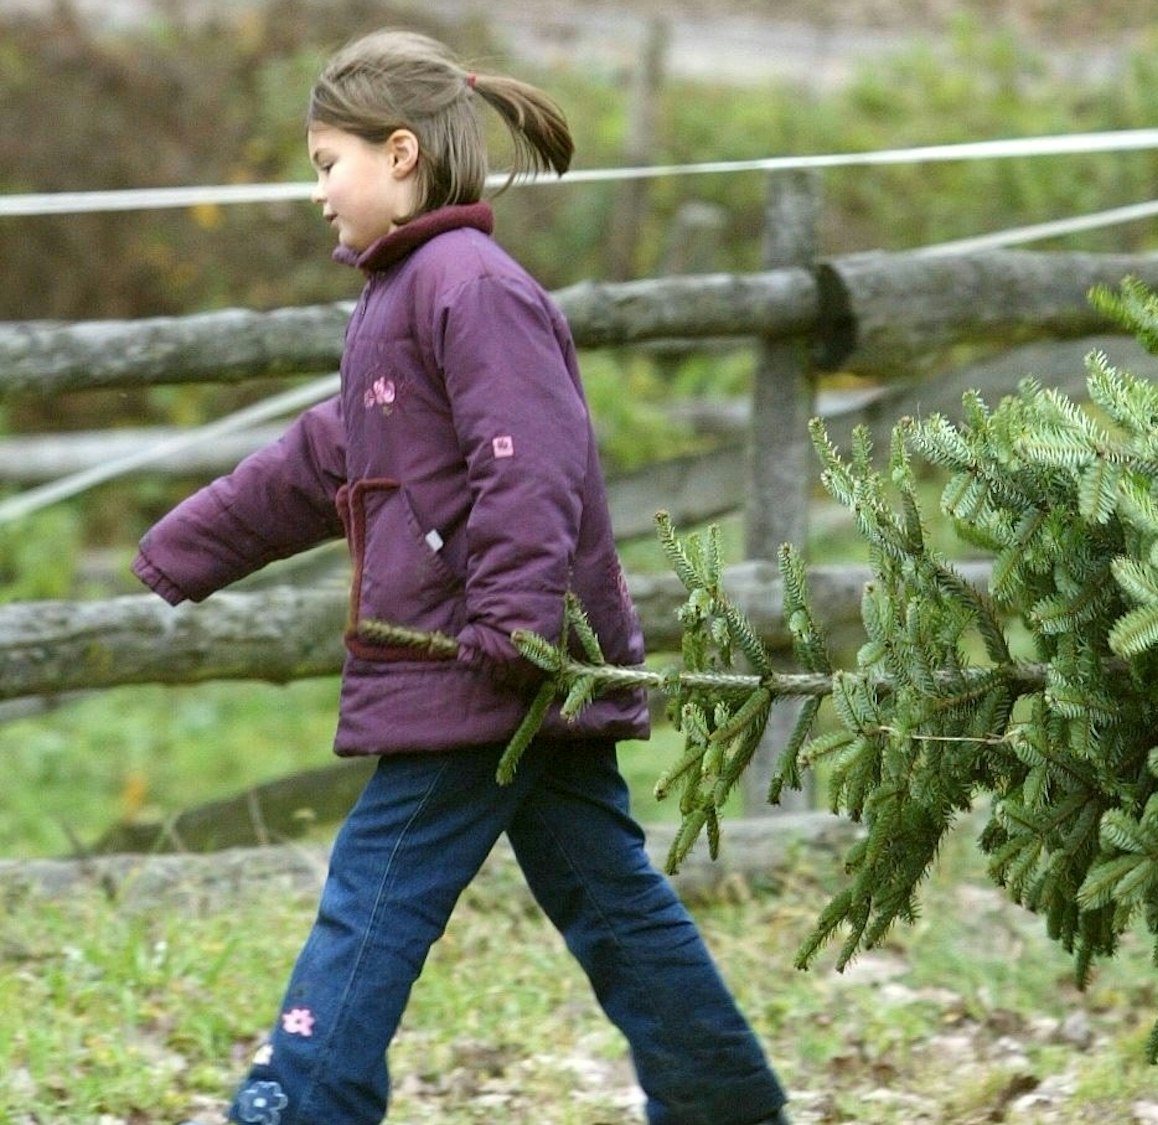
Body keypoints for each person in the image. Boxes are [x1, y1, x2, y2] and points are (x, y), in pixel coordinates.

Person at [135, 29, 789, 1125]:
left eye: (324, 163)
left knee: (373, 895)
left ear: (399, 153)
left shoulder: (468, 289)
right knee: (607, 894)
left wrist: (514, 626)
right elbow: (323, 459)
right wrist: (182, 551)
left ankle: (301, 1104)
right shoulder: (401, 300)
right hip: (500, 655)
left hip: (489, 659)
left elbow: (530, 464)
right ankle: (724, 1102)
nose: (317, 193)